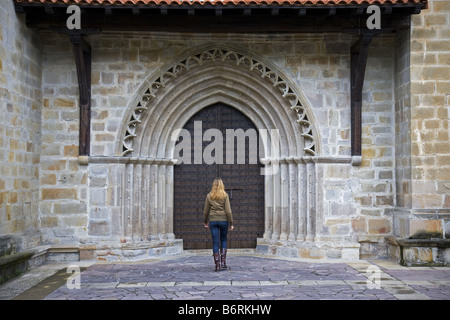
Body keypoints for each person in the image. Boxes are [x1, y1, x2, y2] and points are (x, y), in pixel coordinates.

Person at [203, 178, 234, 271]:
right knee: (223, 239)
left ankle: (217, 265)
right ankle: (223, 262)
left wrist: (205, 221)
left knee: (215, 242)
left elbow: (206, 211)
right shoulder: (225, 196)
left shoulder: (209, 196)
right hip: (223, 220)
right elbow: (228, 211)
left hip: (213, 221)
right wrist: (231, 223)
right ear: (222, 185)